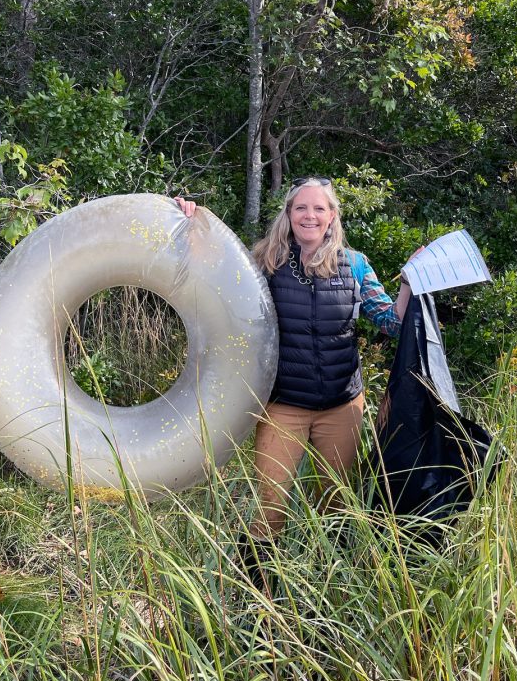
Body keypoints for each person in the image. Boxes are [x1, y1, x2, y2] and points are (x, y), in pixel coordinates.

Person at [175, 177, 415, 547]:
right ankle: (257, 590)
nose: (310, 215)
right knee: (270, 505)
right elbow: (213, 275)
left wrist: (409, 284)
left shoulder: (355, 266)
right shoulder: (265, 262)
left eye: (319, 208)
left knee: (336, 504)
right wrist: (188, 223)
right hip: (283, 406)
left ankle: (329, 584)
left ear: (332, 216)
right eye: (301, 207)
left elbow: (392, 322)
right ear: (288, 214)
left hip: (341, 407)